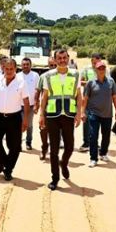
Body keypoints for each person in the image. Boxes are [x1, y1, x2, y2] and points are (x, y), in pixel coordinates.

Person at [39, 49, 82, 191]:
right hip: (52, 115)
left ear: (68, 58)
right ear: (55, 59)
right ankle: (55, 178)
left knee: (69, 146)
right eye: (59, 58)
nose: (62, 60)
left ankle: (63, 163)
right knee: (54, 149)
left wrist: (79, 113)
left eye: (64, 57)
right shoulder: (48, 75)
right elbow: (45, 96)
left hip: (69, 114)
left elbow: (79, 95)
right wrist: (41, 114)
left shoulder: (75, 74)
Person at [0, 59, 29, 181]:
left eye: (11, 69)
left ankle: (8, 169)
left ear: (15, 69)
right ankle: (3, 161)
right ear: (3, 68)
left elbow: (26, 102)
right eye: (6, 69)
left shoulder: (21, 83)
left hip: (14, 118)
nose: (9, 71)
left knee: (15, 146)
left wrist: (25, 120)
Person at [82, 60, 116, 168]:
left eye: (103, 68)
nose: (101, 70)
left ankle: (103, 153)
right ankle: (93, 158)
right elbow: (86, 98)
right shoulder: (90, 82)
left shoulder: (111, 82)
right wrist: (82, 112)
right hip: (93, 113)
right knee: (93, 135)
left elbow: (115, 97)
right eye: (99, 68)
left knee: (106, 136)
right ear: (96, 70)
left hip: (107, 114)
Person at [79, 53, 103, 153]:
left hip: (99, 100)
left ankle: (95, 143)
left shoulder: (104, 70)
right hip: (87, 99)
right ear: (91, 61)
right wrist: (92, 83)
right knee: (86, 121)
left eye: (98, 62)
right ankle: (86, 142)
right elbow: (81, 82)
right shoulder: (86, 69)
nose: (96, 65)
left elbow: (108, 82)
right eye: (94, 63)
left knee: (97, 122)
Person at [34, 57, 57, 160]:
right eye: (51, 65)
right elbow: (38, 91)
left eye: (55, 65)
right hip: (46, 107)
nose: (53, 67)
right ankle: (44, 148)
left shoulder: (61, 76)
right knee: (43, 129)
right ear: (48, 66)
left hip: (58, 108)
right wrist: (36, 103)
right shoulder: (43, 76)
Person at [16, 57, 39, 150]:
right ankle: (18, 143)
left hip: (31, 105)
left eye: (27, 64)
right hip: (19, 104)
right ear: (21, 65)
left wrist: (37, 104)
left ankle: (28, 142)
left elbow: (38, 90)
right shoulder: (17, 76)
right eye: (24, 64)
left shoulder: (35, 75)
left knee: (29, 125)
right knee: (19, 124)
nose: (26, 66)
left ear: (30, 65)